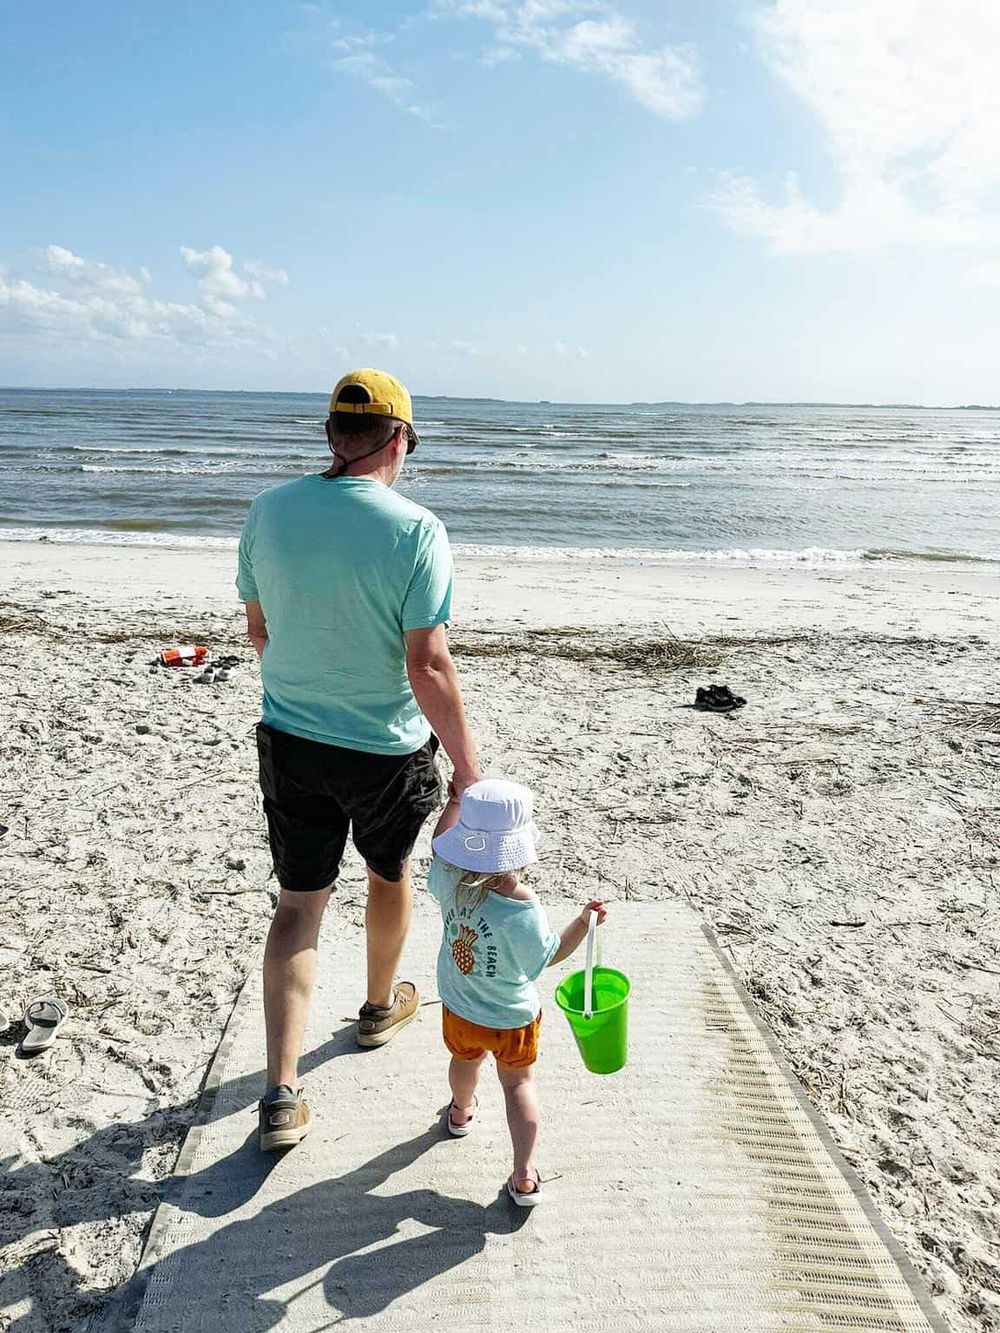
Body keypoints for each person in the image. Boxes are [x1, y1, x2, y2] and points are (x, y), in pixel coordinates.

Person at [237, 368, 481, 1152]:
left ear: (332, 436)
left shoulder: (267, 512)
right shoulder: (416, 530)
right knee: (389, 873)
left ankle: (280, 1094)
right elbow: (429, 664)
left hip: (292, 739)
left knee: (298, 903)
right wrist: (470, 770)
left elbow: (260, 630)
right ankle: (379, 1007)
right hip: (384, 747)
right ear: (400, 438)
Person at [427, 778, 606, 1205]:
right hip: (511, 1019)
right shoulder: (522, 904)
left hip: (460, 1008)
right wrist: (582, 922)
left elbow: (439, 844)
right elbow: (548, 957)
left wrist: (453, 803)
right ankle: (524, 1175)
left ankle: (459, 1111)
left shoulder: (449, 878)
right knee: (518, 1086)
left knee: (463, 1061)